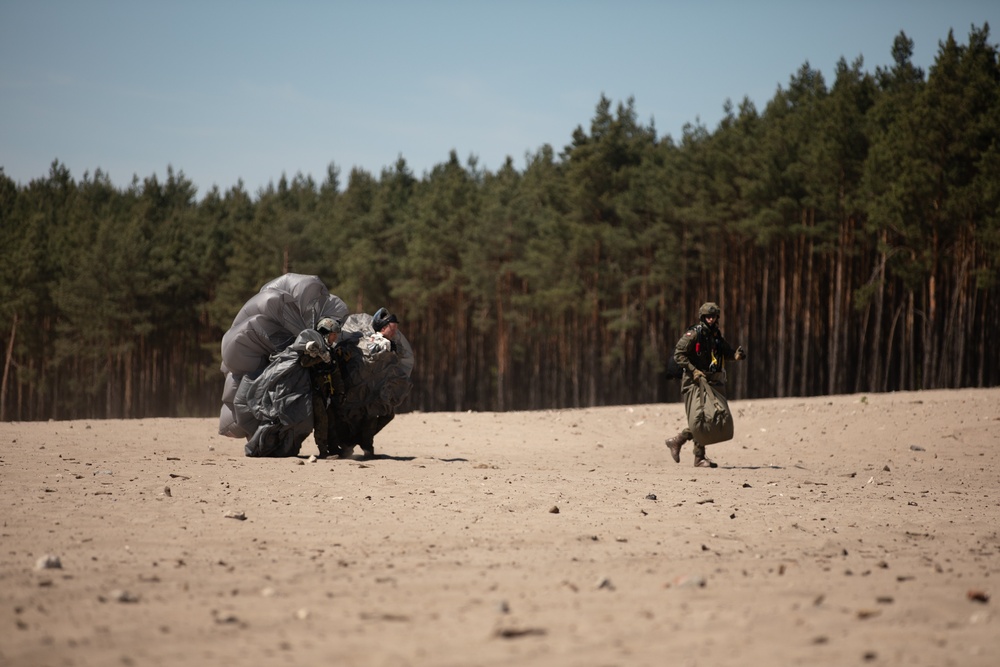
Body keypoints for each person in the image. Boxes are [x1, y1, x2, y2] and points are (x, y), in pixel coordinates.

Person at [664, 302, 746, 468]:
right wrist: (693, 370)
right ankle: (694, 453)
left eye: (713, 316)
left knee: (709, 417)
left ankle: (684, 445)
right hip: (693, 382)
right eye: (708, 316)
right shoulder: (694, 334)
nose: (710, 319)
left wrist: (735, 356)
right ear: (702, 317)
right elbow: (679, 355)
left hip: (711, 381)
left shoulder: (715, 335)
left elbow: (725, 352)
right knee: (699, 417)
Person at [300, 317, 345, 458]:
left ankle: (333, 447)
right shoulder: (313, 348)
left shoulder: (331, 351)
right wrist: (319, 357)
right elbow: (303, 362)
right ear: (325, 333)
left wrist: (340, 391)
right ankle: (323, 450)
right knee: (322, 419)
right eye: (333, 334)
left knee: (331, 418)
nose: (335, 337)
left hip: (327, 390)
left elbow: (336, 372)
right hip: (314, 390)